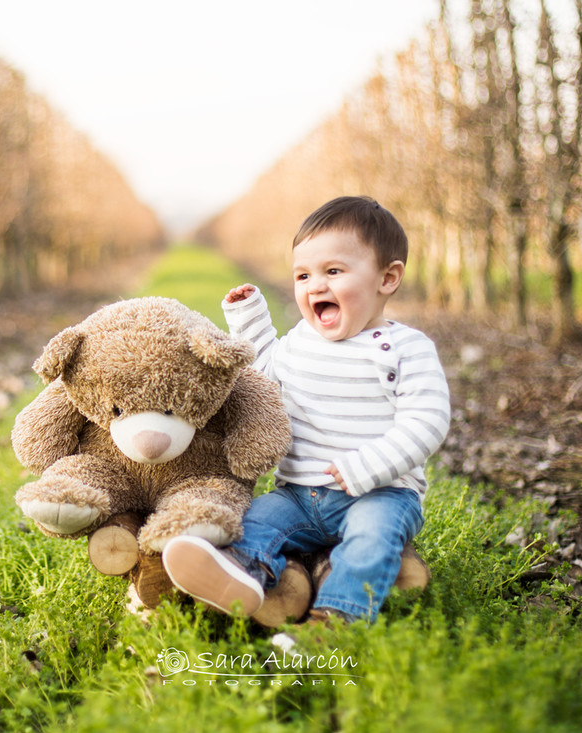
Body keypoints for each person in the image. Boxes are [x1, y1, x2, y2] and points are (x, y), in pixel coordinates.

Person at [161, 195, 451, 623]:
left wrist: (371, 466)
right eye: (303, 275)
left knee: (371, 538)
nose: (315, 285)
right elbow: (264, 379)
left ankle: (337, 617)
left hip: (379, 492)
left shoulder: (406, 349)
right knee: (255, 520)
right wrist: (249, 318)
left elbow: (427, 421)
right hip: (299, 496)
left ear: (387, 278)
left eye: (333, 271)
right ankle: (240, 573)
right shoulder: (300, 341)